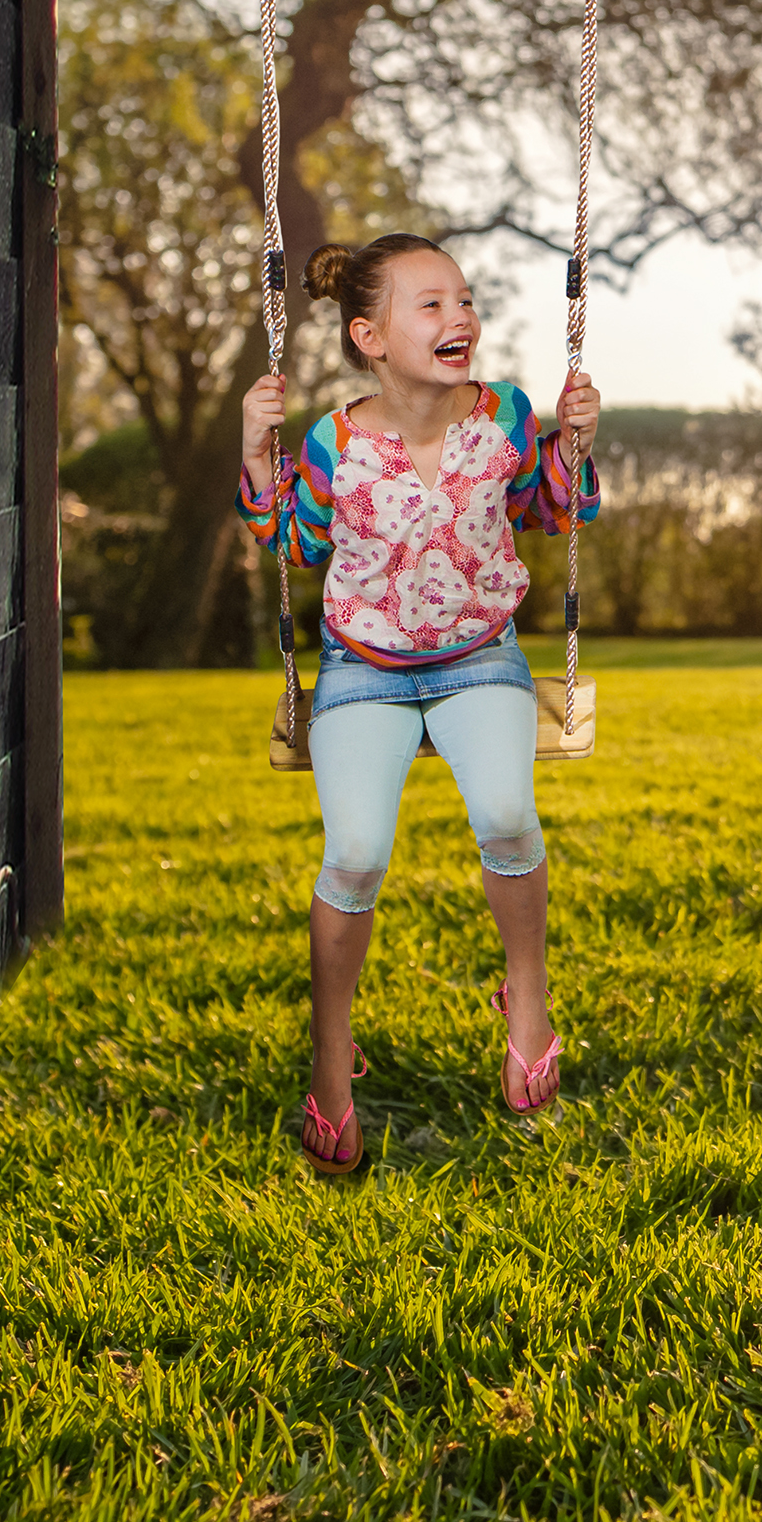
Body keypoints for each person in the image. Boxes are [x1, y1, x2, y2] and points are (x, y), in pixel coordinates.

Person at [238, 232, 601, 1175]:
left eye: (466, 301)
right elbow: (287, 537)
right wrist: (253, 445)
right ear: (370, 336)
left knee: (510, 819)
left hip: (482, 657)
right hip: (364, 670)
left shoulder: (509, 416)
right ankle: (330, 1048)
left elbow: (553, 510)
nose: (461, 318)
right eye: (431, 305)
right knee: (354, 854)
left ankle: (526, 992)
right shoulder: (333, 441)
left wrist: (574, 444)